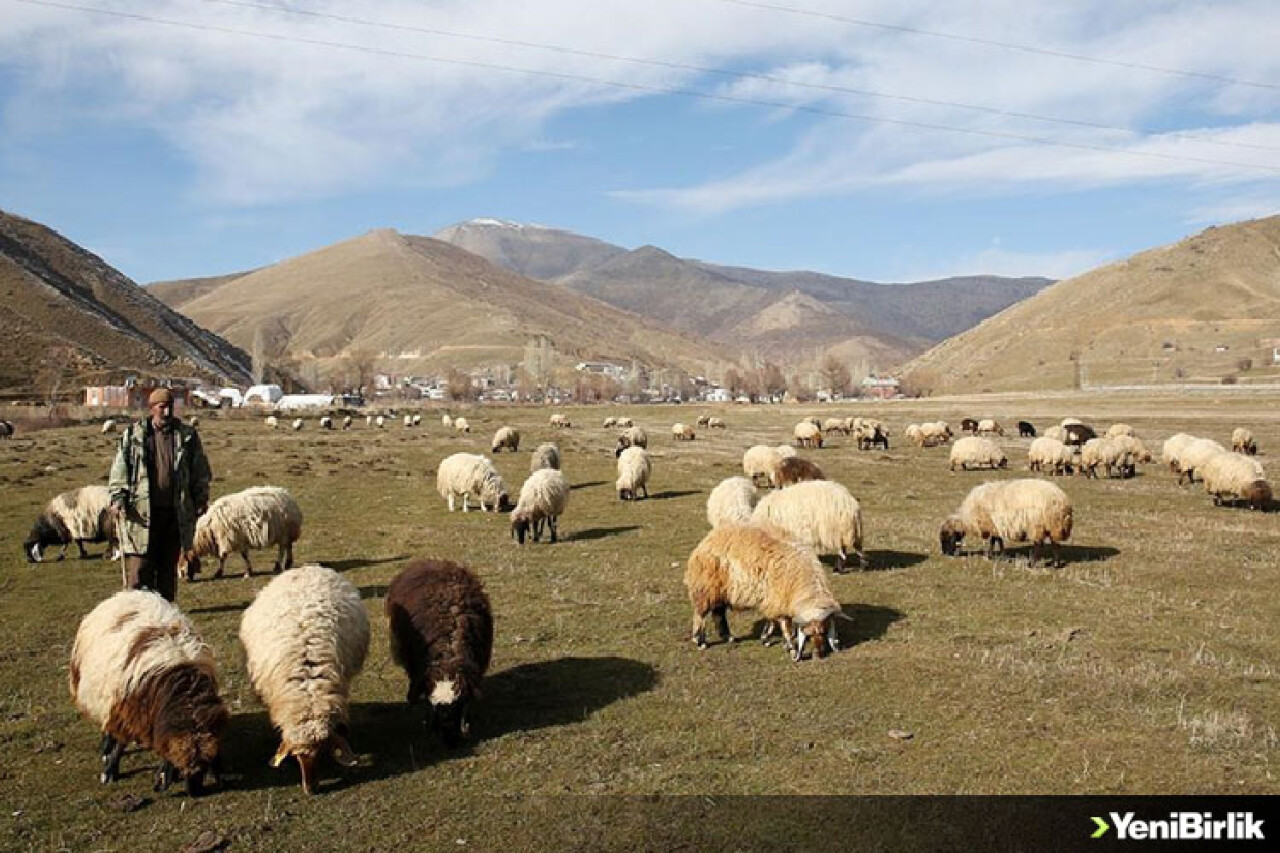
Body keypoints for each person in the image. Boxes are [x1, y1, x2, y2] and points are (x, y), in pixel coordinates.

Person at [108, 387, 212, 601]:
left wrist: (201, 497)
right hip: (142, 514)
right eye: (161, 407)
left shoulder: (186, 437)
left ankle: (164, 612)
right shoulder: (134, 435)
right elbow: (120, 469)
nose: (166, 412)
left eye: (170, 407)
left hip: (175, 513)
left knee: (167, 568)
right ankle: (136, 614)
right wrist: (119, 496)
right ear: (152, 408)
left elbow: (200, 470)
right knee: (140, 568)